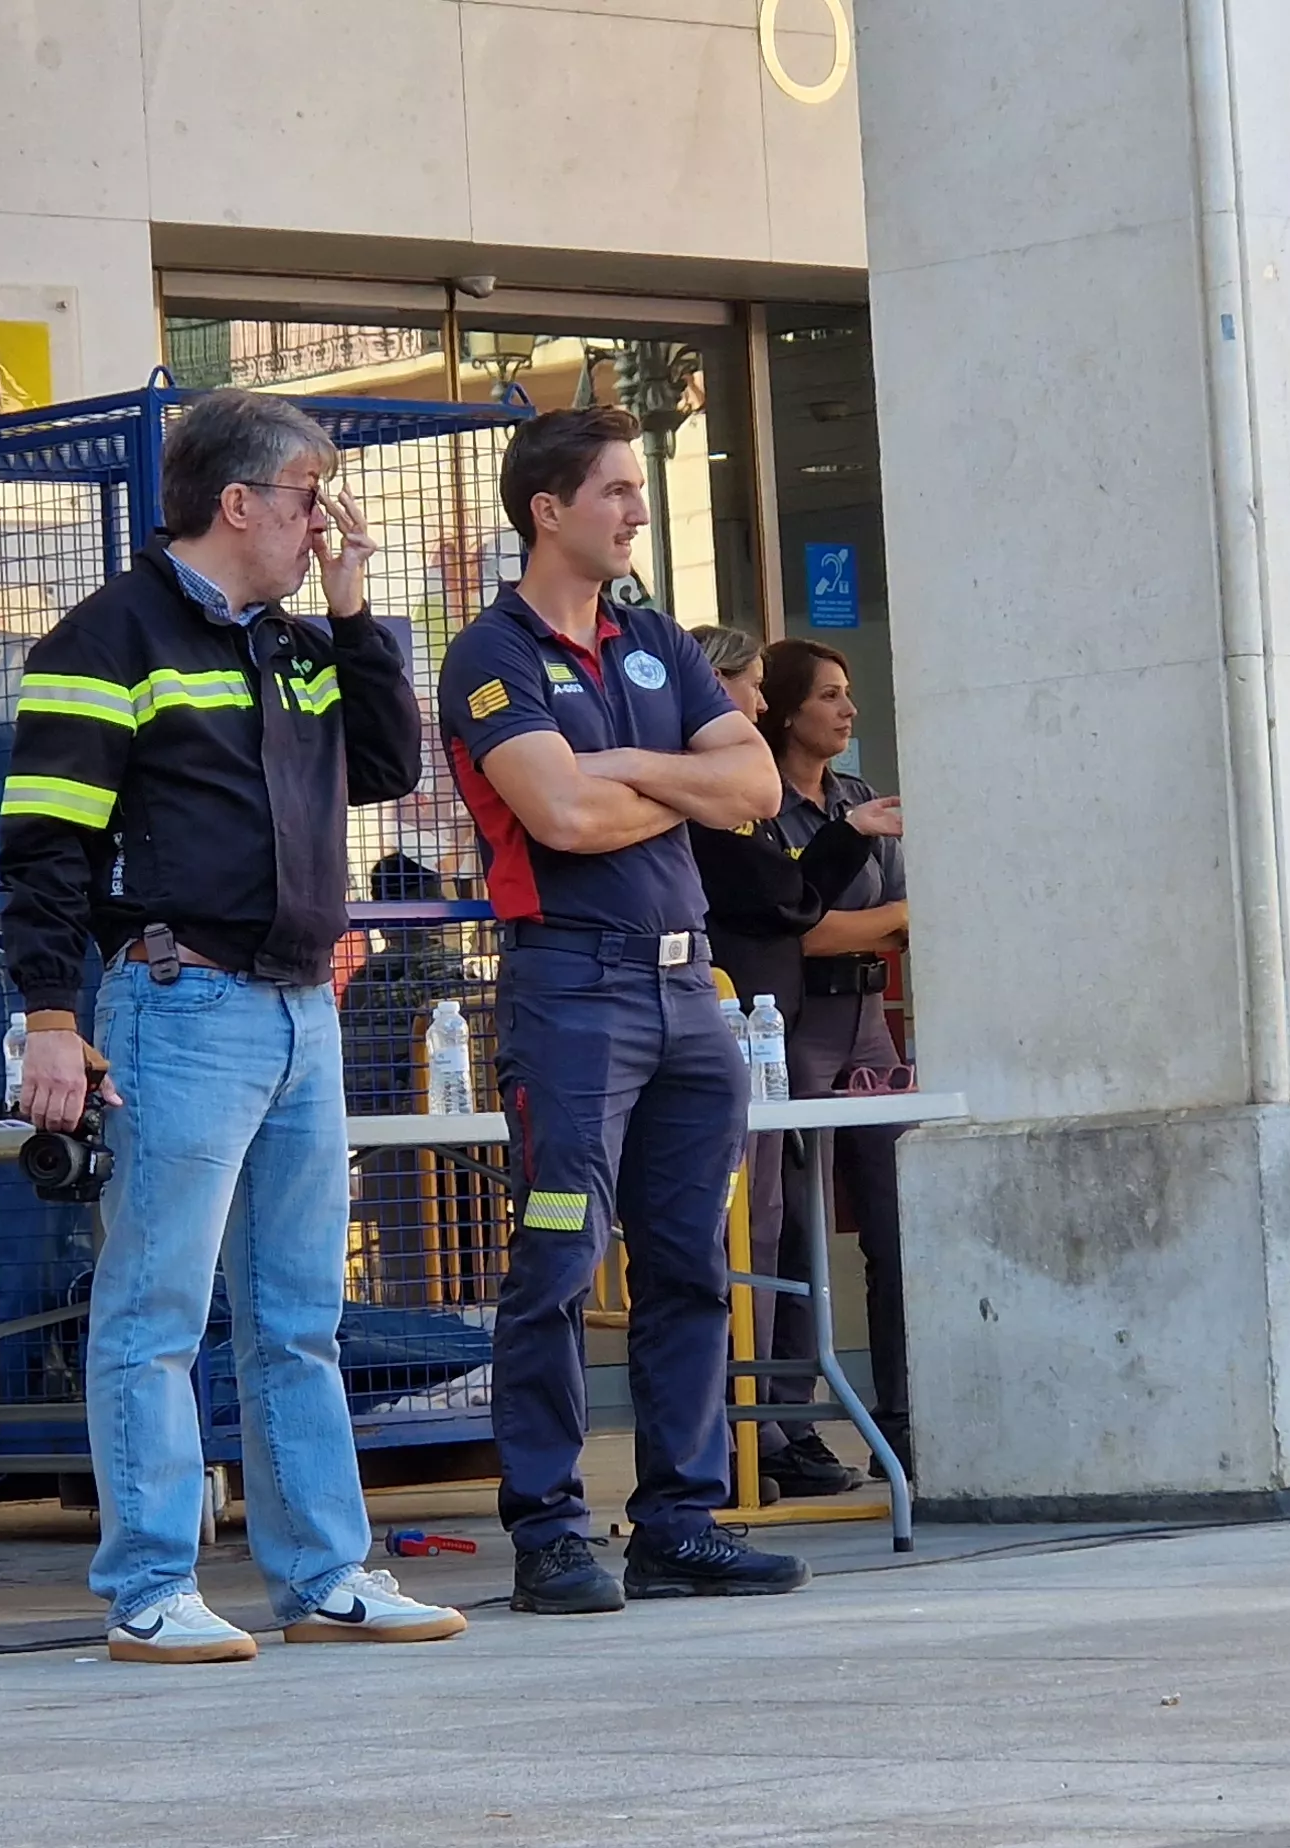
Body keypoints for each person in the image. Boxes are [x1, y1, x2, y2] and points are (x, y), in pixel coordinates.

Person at [0, 390, 468, 1665]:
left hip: (302, 1003)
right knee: (155, 1311)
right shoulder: (105, 641)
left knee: (297, 1311)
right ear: (239, 501)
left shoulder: (297, 642)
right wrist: (50, 1014)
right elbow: (44, 846)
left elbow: (381, 765)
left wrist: (359, 609)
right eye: (312, 497)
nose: (329, 522)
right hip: (178, 1005)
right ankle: (149, 1584)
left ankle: (325, 1576)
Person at [437, 406, 807, 1614]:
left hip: (688, 992)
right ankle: (549, 1531)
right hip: (572, 991)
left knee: (691, 1263)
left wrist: (626, 768)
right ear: (546, 510)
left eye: (636, 491)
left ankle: (678, 1522)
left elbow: (754, 785)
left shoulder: (657, 641)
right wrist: (677, 783)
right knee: (554, 1262)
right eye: (615, 491)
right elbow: (560, 820)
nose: (637, 510)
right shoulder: (487, 655)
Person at [683, 625, 900, 1497]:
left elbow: (795, 889)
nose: (761, 706)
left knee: (818, 1222)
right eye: (753, 688)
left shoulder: (787, 801)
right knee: (755, 1229)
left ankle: (795, 1430)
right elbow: (788, 906)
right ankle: (748, 1438)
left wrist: (848, 842)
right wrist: (888, 908)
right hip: (747, 1031)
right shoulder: (718, 799)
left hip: (827, 1020)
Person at [753, 637, 914, 1486]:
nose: (848, 711)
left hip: (868, 1023)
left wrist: (887, 921)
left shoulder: (861, 798)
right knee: (785, 1227)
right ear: (783, 708)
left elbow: (907, 914)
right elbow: (801, 928)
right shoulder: (761, 804)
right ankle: (787, 1424)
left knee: (895, 1219)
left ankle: (907, 1412)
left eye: (848, 694)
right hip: (794, 1021)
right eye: (828, 697)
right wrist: (890, 919)